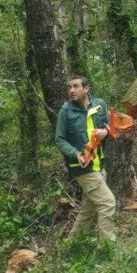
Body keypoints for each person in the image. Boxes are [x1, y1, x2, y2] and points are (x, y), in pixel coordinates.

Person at [55, 76, 116, 241]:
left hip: (99, 165)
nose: (71, 90)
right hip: (82, 167)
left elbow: (111, 126)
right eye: (70, 87)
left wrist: (106, 132)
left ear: (86, 89)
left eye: (76, 86)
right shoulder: (65, 111)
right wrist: (76, 154)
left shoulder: (100, 105)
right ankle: (107, 247)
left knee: (88, 210)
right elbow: (60, 140)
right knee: (107, 203)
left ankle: (70, 245)